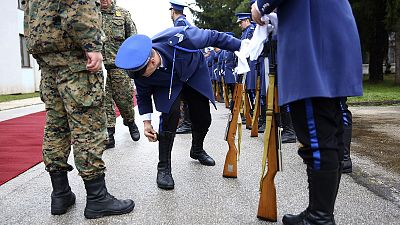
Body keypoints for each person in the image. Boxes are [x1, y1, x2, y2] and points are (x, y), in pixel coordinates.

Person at [251, 1, 363, 224]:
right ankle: (319, 212)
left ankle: (319, 217)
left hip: (311, 38)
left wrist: (260, 4)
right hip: (328, 32)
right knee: (329, 129)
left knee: (316, 134)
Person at [23, 0, 134, 219]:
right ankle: (97, 198)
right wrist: (92, 45)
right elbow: (78, 4)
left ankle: (60, 193)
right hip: (74, 58)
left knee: (56, 125)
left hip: (47, 57)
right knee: (88, 126)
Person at [115, 26, 243, 190]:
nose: (139, 79)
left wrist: (242, 46)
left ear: (152, 62)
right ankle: (163, 168)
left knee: (203, 118)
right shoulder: (140, 70)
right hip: (167, 84)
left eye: (141, 74)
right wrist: (147, 123)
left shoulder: (182, 37)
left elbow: (214, 36)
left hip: (193, 73)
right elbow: (143, 96)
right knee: (170, 116)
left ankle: (197, 149)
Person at [101, 0, 140, 149]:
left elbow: (133, 39)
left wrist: (132, 65)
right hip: (99, 66)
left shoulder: (123, 14)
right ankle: (109, 134)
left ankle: (130, 121)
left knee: (124, 99)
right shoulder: (92, 14)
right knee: (104, 101)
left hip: (119, 66)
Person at [169, 0, 192, 134]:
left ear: (173, 11)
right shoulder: (184, 22)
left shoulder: (180, 23)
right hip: (186, 64)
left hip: (183, 65)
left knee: (185, 96)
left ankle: (188, 123)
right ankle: (187, 122)